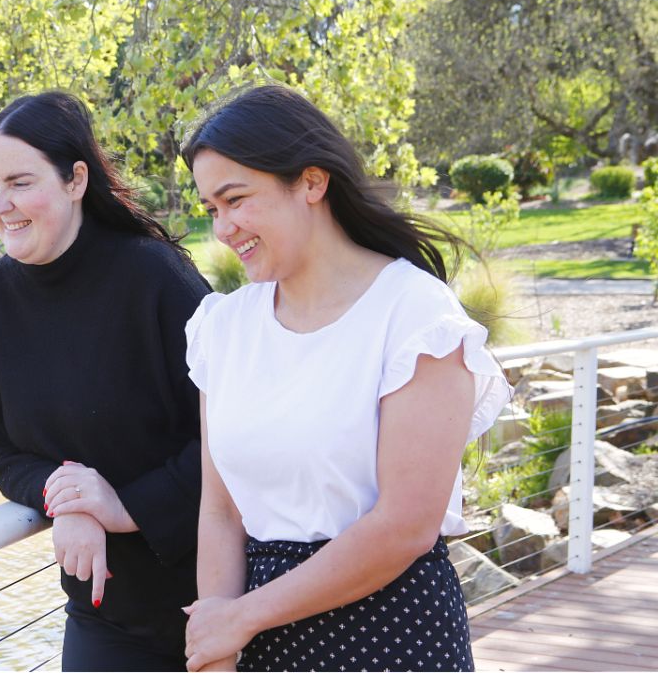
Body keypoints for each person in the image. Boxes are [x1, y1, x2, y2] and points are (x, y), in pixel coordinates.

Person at [179, 85, 511, 672]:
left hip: (391, 631)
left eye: (235, 199)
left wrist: (243, 616)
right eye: (211, 209)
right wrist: (218, 639)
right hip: (259, 634)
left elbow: (406, 525)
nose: (223, 229)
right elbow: (221, 512)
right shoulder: (221, 327)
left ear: (311, 182)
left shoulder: (415, 315)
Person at [0, 91, 211, 671]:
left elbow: (236, 432)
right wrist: (66, 496)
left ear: (76, 180)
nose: (1, 205)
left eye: (20, 183)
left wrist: (125, 507)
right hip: (108, 612)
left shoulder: (156, 278)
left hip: (229, 596)